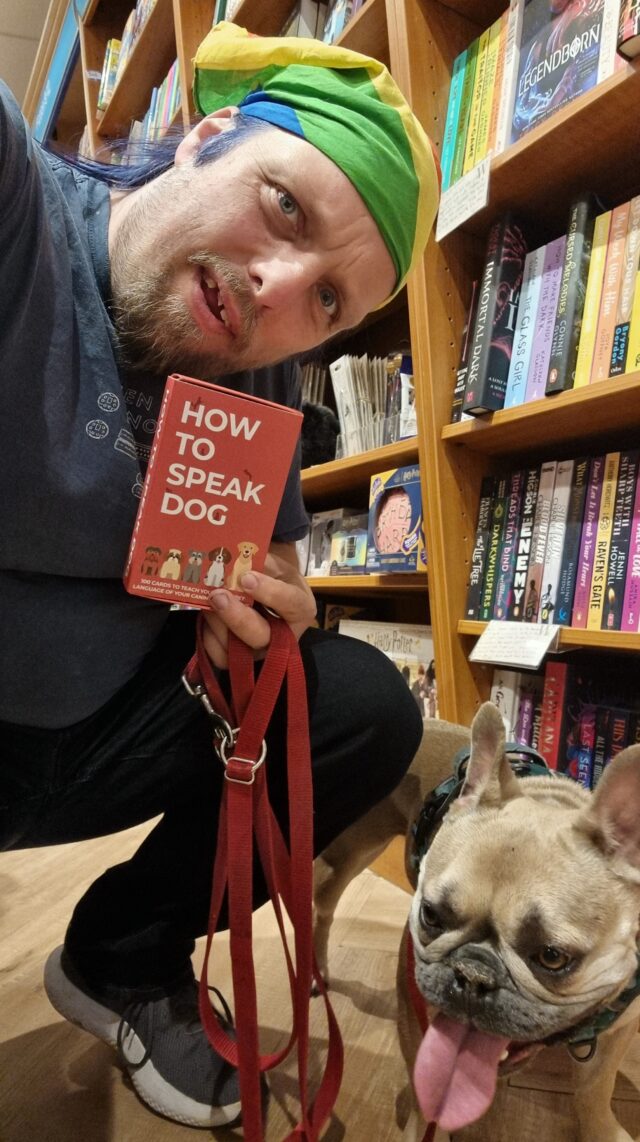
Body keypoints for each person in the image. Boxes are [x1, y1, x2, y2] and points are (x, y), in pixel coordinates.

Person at [0, 21, 440, 1130]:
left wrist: (264, 596)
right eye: (285, 207)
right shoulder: (26, 220)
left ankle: (122, 957)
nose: (277, 286)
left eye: (329, 301)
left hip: (93, 737)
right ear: (204, 134)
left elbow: (275, 554)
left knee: (353, 702)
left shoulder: (260, 370)